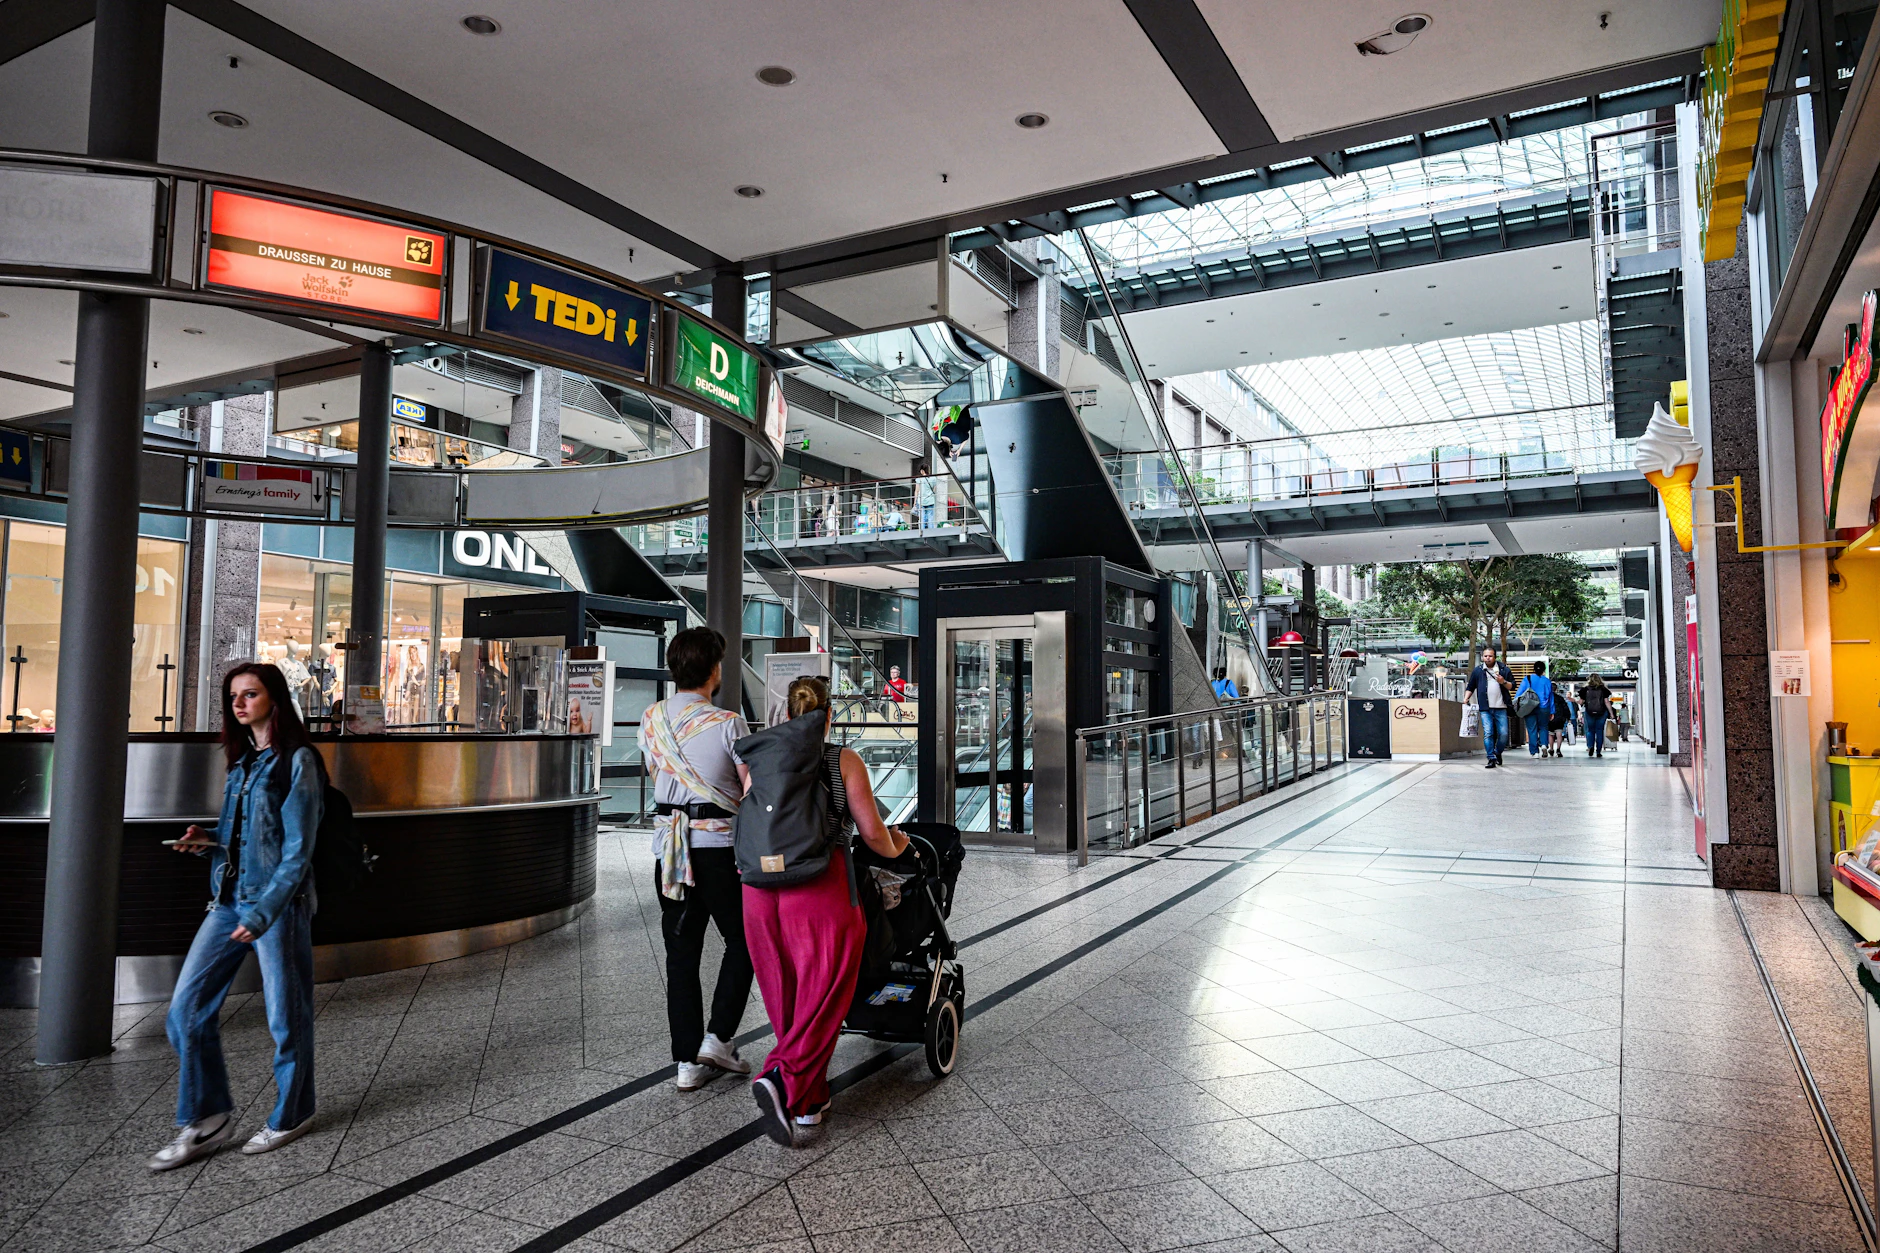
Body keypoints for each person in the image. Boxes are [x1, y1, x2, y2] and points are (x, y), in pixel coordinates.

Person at [149, 663, 324, 1171]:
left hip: (278, 905)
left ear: (275, 699)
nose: (240, 704)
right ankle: (208, 1117)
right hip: (228, 902)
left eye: (251, 694)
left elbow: (297, 852)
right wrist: (205, 845)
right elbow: (243, 843)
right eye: (233, 697)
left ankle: (295, 1112)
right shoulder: (241, 764)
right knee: (186, 1011)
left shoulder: (298, 762)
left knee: (286, 1018)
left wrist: (267, 911)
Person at [744, 676, 909, 1144]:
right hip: (819, 886)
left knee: (787, 995)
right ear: (828, 715)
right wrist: (900, 848)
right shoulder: (843, 759)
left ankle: (808, 1103)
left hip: (757, 890)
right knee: (826, 992)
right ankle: (780, 1076)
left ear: (787, 715)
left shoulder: (758, 755)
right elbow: (874, 835)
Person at [639, 627, 756, 1092]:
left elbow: (657, 772)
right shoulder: (728, 722)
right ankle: (718, 1038)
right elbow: (750, 790)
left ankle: (686, 1062)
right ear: (713, 670)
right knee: (744, 941)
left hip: (669, 853)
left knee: (681, 956)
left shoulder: (650, 719)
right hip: (719, 852)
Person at [1464, 647, 1515, 769]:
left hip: (1501, 707)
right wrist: (1466, 699)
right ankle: (1491, 758)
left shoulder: (1504, 669)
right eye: (1485, 656)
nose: (1488, 658)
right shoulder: (1478, 671)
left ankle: (1497, 752)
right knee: (1488, 733)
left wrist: (1503, 681)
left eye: (1490, 656)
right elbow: (1471, 686)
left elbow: (1512, 686)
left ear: (1495, 657)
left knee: (1503, 734)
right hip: (1485, 708)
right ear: (1482, 657)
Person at [1514, 660, 1556, 757]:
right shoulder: (1547, 681)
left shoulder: (1527, 679)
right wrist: (1552, 711)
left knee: (1532, 729)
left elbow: (1518, 694)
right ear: (1544, 670)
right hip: (1544, 707)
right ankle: (1544, 745)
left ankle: (1535, 752)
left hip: (1530, 707)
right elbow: (1551, 697)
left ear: (1534, 668)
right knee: (1543, 727)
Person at [1581, 673, 1614, 757]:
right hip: (1602, 712)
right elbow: (1606, 702)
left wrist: (1573, 700)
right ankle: (1598, 751)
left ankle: (1590, 746)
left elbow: (1581, 702)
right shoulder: (1603, 689)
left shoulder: (1585, 689)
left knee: (1590, 730)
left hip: (1589, 712)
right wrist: (1611, 713)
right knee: (1599, 731)